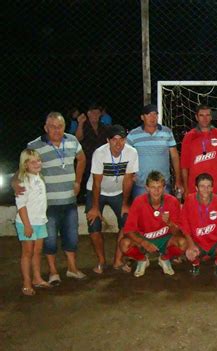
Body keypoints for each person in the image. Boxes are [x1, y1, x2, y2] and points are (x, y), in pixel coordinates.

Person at [23, 112, 87, 285]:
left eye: (59, 126)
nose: (56, 130)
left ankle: (72, 269)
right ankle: (53, 272)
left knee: (72, 237)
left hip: (69, 200)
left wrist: (78, 181)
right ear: (45, 127)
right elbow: (24, 168)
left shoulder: (73, 141)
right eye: (52, 127)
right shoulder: (34, 145)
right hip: (47, 204)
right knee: (50, 239)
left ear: (64, 127)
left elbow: (81, 159)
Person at [85, 125, 139, 274]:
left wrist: (125, 204)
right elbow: (96, 182)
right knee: (93, 223)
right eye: (114, 140)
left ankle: (117, 260)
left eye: (121, 139)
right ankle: (101, 261)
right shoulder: (99, 153)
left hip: (118, 191)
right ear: (107, 140)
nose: (118, 143)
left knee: (126, 221)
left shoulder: (131, 152)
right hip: (97, 191)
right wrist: (95, 207)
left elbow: (128, 180)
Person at [121, 171, 186, 277]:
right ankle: (142, 259)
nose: (156, 191)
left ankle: (164, 258)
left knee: (183, 243)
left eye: (159, 187)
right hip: (145, 238)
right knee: (124, 244)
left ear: (164, 187)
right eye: (153, 187)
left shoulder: (173, 201)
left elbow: (178, 233)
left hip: (165, 239)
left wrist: (169, 222)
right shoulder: (138, 201)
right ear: (147, 188)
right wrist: (143, 243)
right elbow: (128, 230)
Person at [127, 104, 183, 198]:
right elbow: (125, 155)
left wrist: (178, 179)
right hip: (141, 185)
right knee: (142, 212)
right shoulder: (133, 134)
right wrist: (129, 174)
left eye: (155, 114)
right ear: (142, 117)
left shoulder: (167, 132)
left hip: (163, 184)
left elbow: (174, 156)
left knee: (165, 212)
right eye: (149, 114)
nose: (153, 117)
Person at [15, 149, 51, 296]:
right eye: (32, 161)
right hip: (27, 223)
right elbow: (21, 205)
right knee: (27, 253)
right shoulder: (23, 181)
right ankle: (26, 282)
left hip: (40, 221)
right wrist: (27, 225)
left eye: (38, 160)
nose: (37, 164)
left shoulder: (39, 179)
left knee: (37, 251)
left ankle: (37, 278)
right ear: (25, 165)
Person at [180, 173, 217, 277]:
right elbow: (185, 225)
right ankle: (195, 264)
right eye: (202, 186)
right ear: (196, 188)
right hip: (198, 242)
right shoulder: (189, 200)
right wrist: (191, 244)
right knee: (189, 252)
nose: (205, 190)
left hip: (216, 242)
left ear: (212, 188)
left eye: (208, 186)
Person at [181, 104, 217, 199]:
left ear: (211, 117)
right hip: (194, 190)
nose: (205, 118)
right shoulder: (189, 137)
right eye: (201, 115)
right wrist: (186, 189)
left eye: (207, 115)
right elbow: (184, 166)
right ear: (196, 117)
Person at [75, 104, 108, 201]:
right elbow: (78, 138)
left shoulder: (103, 127)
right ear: (88, 114)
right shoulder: (84, 125)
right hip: (87, 158)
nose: (95, 115)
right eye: (93, 113)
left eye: (97, 113)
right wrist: (80, 123)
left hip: (101, 159)